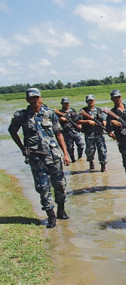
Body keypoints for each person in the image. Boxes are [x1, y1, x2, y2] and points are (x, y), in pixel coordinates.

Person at [8, 88, 71, 228]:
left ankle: (61, 209)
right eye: (32, 98)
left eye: (37, 97)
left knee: (60, 185)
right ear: (27, 100)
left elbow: (58, 133)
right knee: (43, 188)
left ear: (41, 98)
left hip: (54, 156)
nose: (35, 100)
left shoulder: (49, 113)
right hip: (36, 158)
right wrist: (22, 148)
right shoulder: (22, 116)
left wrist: (65, 153)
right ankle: (51, 215)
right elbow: (12, 130)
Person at [77, 94, 107, 172]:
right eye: (89, 101)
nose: (90, 102)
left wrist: (104, 123)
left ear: (94, 101)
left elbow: (104, 119)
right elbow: (77, 121)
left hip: (99, 133)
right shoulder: (83, 111)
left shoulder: (99, 110)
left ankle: (103, 166)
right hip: (89, 134)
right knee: (90, 151)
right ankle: (91, 163)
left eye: (92, 100)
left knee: (102, 150)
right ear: (86, 102)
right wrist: (87, 121)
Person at [57, 97, 84, 163]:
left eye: (67, 103)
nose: (66, 104)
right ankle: (73, 160)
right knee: (70, 147)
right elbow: (55, 122)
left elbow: (77, 119)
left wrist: (80, 125)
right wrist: (60, 119)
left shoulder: (73, 110)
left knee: (81, 144)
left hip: (75, 130)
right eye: (65, 103)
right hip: (66, 132)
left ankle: (80, 157)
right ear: (62, 104)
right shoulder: (59, 112)